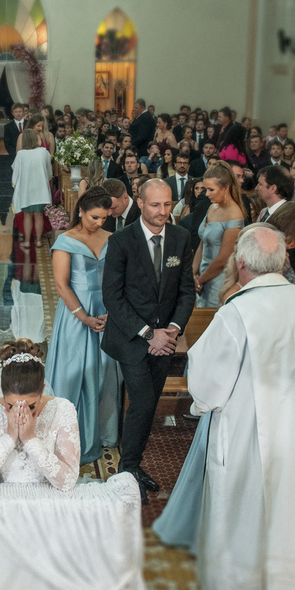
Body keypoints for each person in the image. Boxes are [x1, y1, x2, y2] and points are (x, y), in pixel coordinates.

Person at [166, 226, 295, 590]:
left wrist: (203, 402)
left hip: (245, 432)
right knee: (290, 504)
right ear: (283, 262)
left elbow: (206, 383)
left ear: (241, 263)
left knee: (242, 510)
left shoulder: (237, 311)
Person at [103, 179, 196, 502]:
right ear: (140, 202)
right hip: (132, 338)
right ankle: (128, 470)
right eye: (155, 205)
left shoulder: (181, 238)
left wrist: (172, 330)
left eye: (167, 204)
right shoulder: (121, 241)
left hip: (165, 340)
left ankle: (133, 465)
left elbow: (186, 291)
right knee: (142, 403)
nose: (162, 211)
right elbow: (112, 297)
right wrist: (147, 333)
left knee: (149, 404)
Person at [45, 188, 119, 465]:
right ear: (81, 211)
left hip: (106, 311)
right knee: (73, 374)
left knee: (104, 374)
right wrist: (84, 317)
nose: (99, 223)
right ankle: (66, 437)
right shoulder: (66, 241)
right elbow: (61, 284)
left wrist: (114, 312)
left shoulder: (112, 239)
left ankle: (101, 433)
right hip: (76, 313)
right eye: (94, 217)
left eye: (104, 218)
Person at [0, 339, 81, 491]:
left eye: (31, 406)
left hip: (47, 500)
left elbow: (67, 482)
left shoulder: (63, 409)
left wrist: (30, 439)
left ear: (42, 390)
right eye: (11, 406)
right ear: (2, 390)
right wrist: (9, 438)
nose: (20, 412)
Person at [194, 164, 245, 307]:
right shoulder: (212, 207)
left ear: (225, 188)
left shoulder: (234, 214)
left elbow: (223, 259)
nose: (206, 194)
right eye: (206, 189)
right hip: (202, 274)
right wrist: (193, 273)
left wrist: (200, 280)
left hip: (220, 278)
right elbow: (202, 243)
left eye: (211, 189)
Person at [11, 129, 52, 250]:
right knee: (39, 215)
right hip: (41, 189)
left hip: (26, 190)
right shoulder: (43, 152)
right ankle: (38, 241)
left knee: (27, 216)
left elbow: (16, 171)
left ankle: (27, 242)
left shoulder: (21, 154)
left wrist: (14, 184)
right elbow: (49, 169)